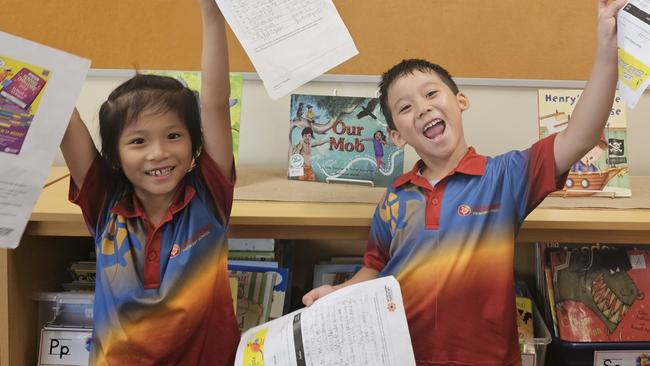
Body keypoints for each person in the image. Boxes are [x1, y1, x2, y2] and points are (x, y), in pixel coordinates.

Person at [303, 1, 625, 364]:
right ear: (396, 136)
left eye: (431, 94)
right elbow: (375, 269)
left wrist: (607, 53)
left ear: (461, 101)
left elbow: (581, 137)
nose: (422, 108)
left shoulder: (505, 177)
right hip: (405, 356)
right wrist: (337, 293)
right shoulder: (394, 198)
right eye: (405, 108)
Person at [59, 0, 239, 364]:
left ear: (194, 144)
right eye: (138, 141)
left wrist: (212, 14)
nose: (158, 153)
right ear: (114, 155)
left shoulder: (210, 196)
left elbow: (216, 104)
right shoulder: (105, 202)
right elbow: (59, 112)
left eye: (173, 136)